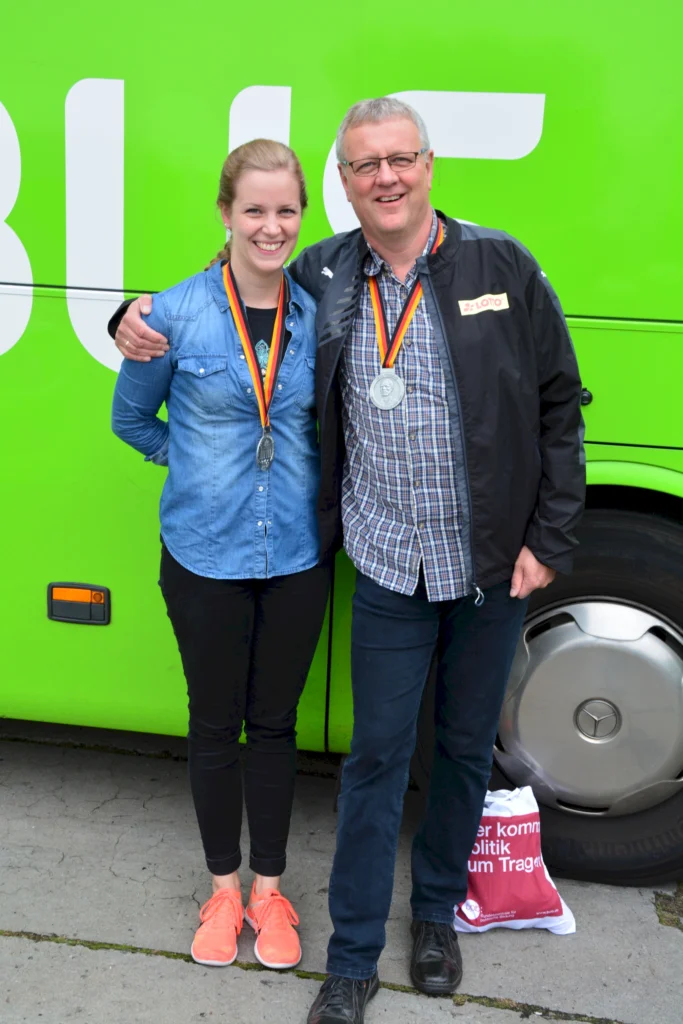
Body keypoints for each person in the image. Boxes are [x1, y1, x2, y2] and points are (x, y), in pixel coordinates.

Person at [110, 98, 585, 1024]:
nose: (385, 179)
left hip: (484, 566)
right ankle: (354, 957)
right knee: (373, 758)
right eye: (364, 166)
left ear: (428, 163)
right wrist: (129, 317)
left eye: (399, 159)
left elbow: (559, 405)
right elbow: (210, 305)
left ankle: (436, 919)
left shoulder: (501, 265)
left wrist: (548, 539)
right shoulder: (329, 270)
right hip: (381, 564)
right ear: (345, 184)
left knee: (458, 752)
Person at [111, 139, 331, 975]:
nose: (270, 227)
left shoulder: (319, 313)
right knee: (213, 724)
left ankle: (270, 890)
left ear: (301, 215)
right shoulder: (170, 314)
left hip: (298, 555)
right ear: (225, 212)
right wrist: (202, 468)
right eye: (254, 210)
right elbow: (132, 422)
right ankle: (223, 889)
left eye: (285, 211)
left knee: (274, 725)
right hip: (203, 553)